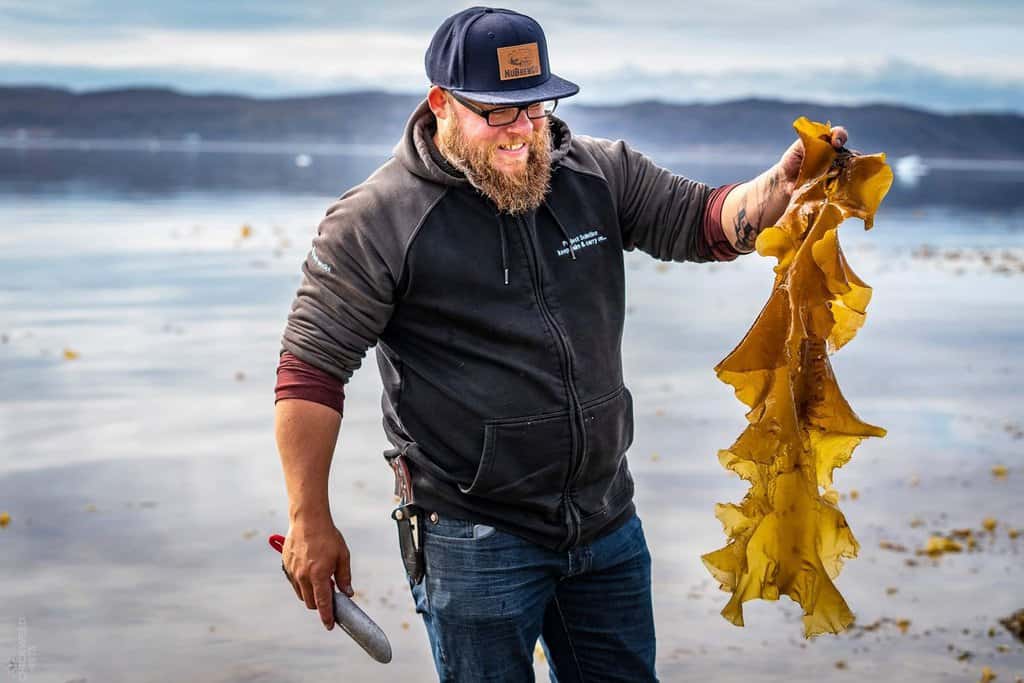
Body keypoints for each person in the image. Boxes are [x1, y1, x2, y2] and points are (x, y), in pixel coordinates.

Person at [273, 6, 849, 682]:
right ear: (441, 104)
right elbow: (310, 370)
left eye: (535, 108)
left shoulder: (598, 173)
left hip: (605, 522)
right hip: (473, 532)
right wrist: (309, 518)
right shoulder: (377, 220)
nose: (522, 131)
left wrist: (781, 186)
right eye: (498, 112)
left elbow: (703, 221)